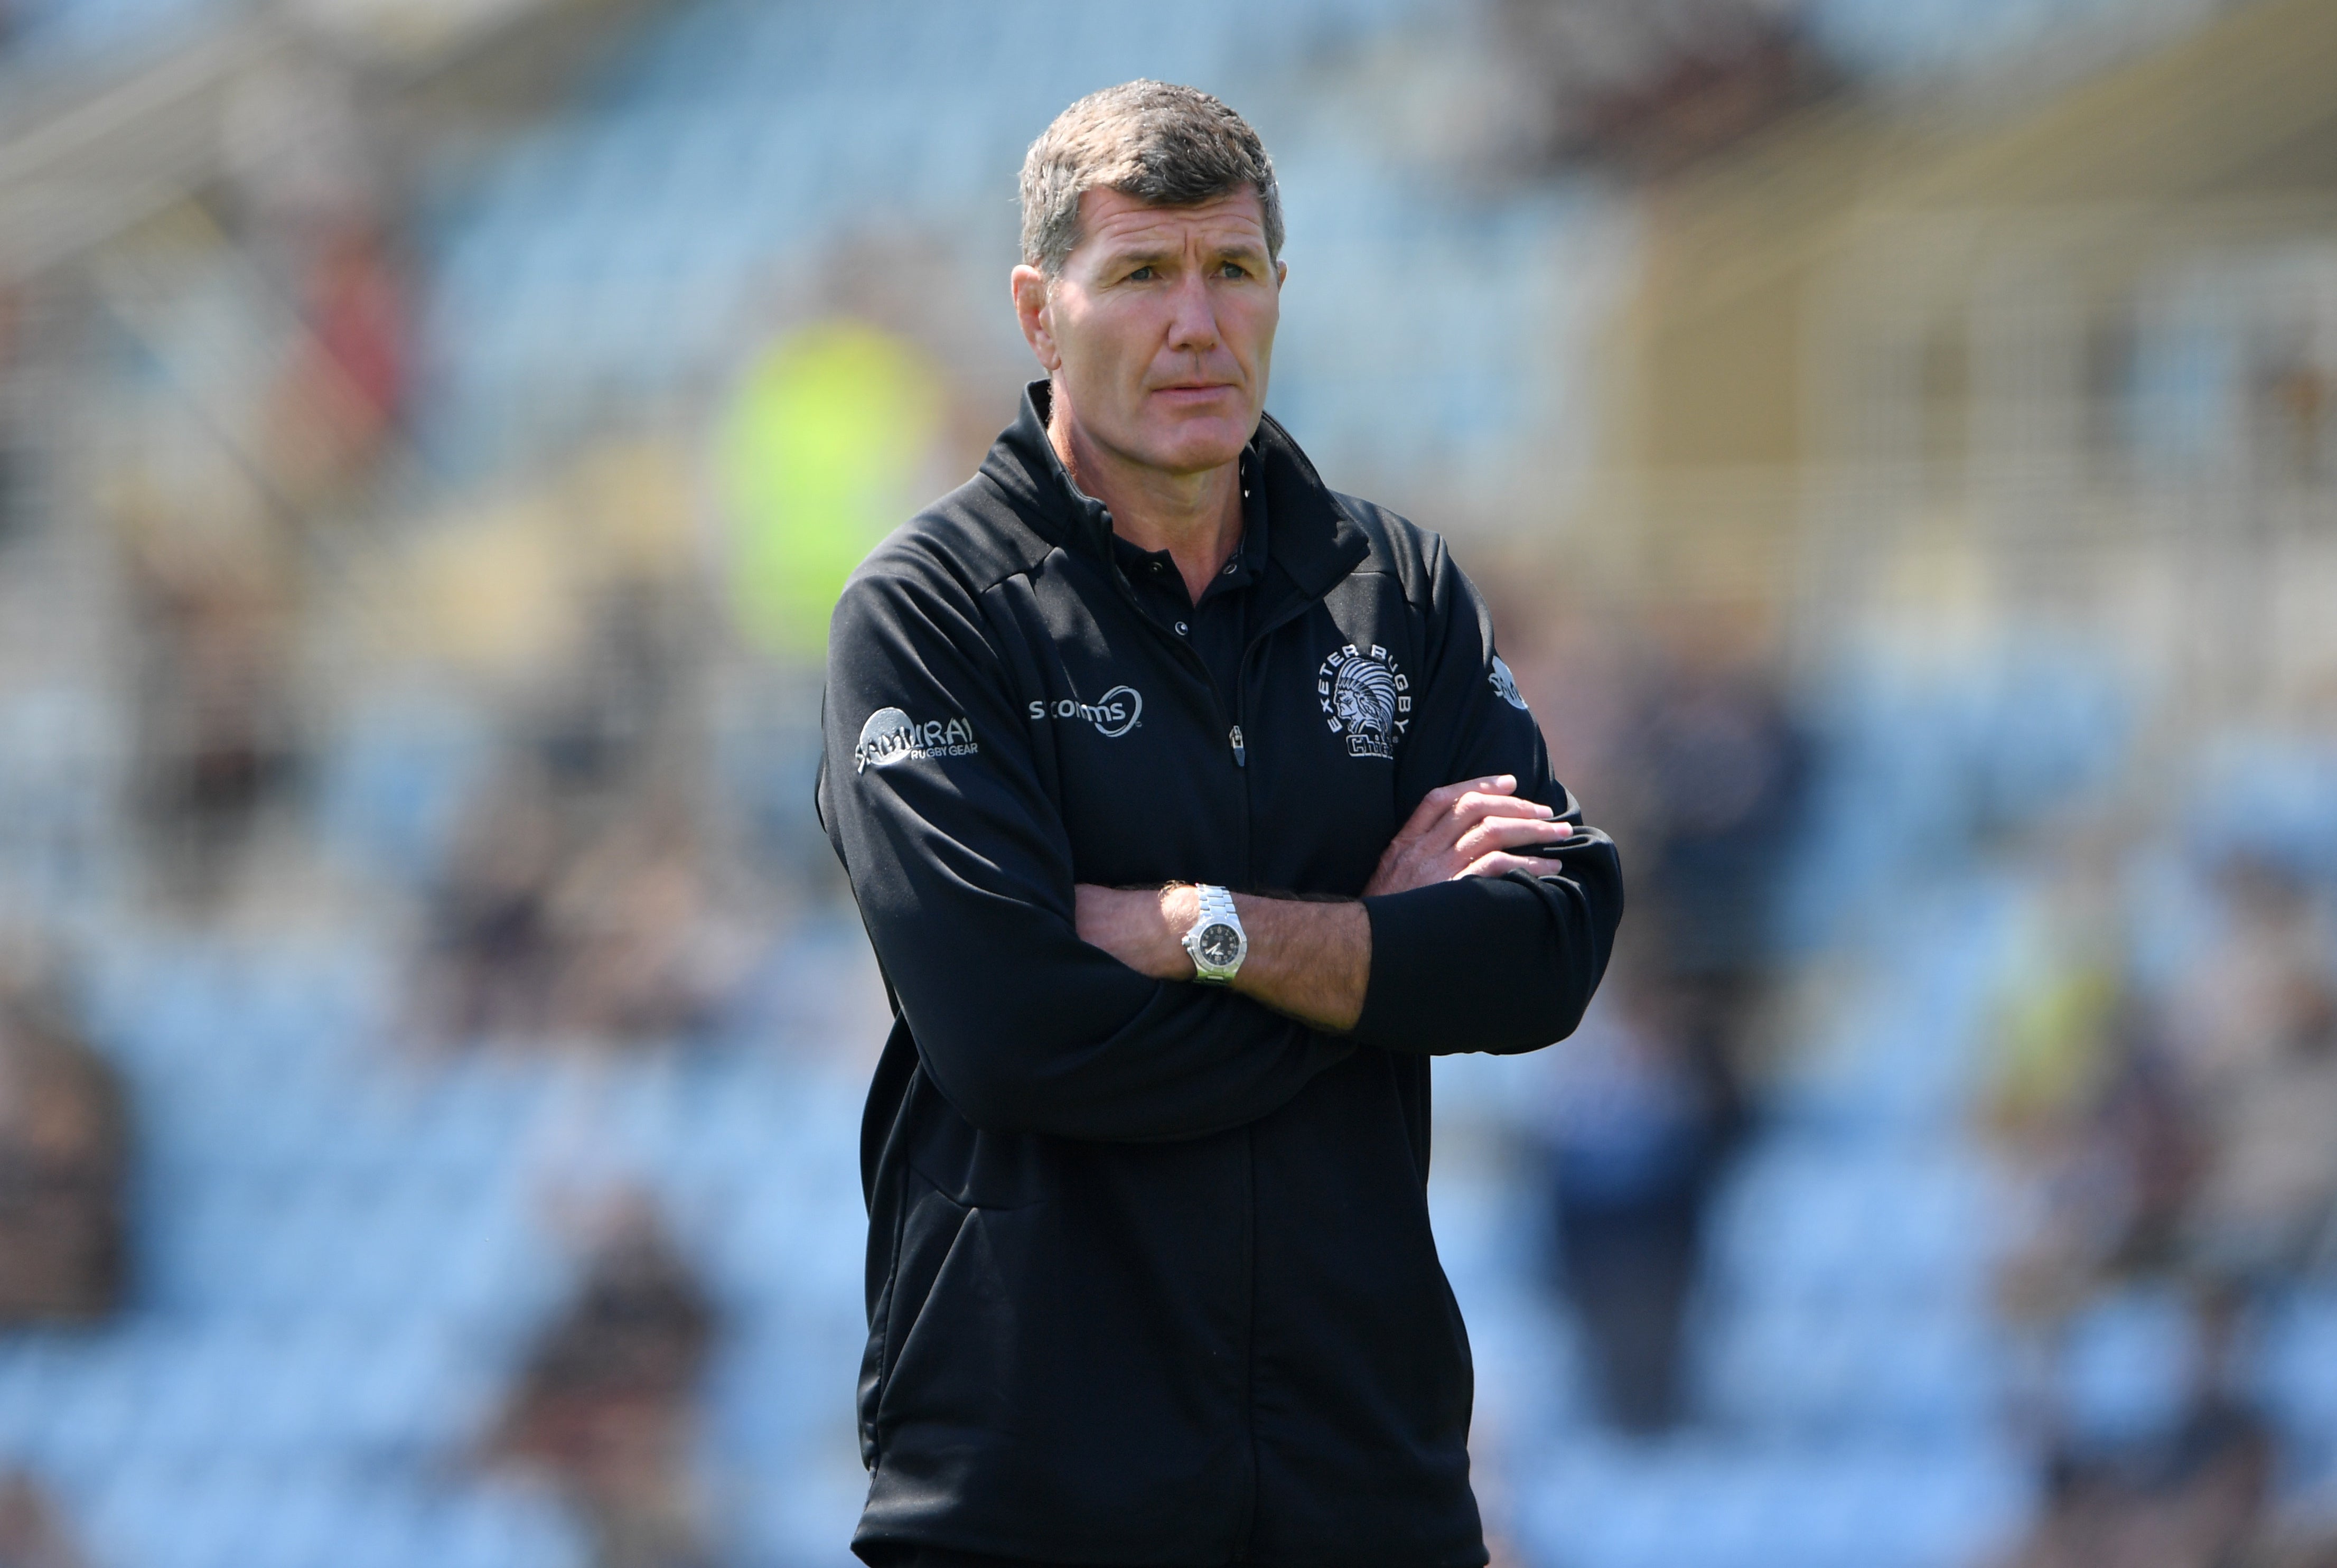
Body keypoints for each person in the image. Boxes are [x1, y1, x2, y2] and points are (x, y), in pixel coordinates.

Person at [817, 81, 1623, 1568]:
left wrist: (1204, 933)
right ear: (1038, 314)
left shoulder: (1398, 588)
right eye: (1139, 274)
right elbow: (1011, 1032)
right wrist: (1380, 965)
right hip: (1032, 1497)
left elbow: (1547, 948)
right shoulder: (931, 615)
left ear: (1277, 292)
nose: (1198, 322)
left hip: (1363, 1488)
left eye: (1231, 270)